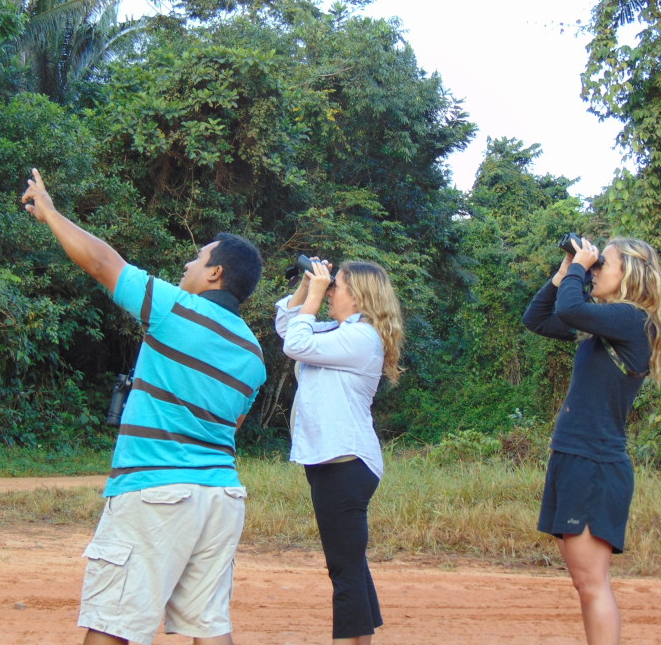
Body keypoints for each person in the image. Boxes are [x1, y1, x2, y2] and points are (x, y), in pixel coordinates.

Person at [21, 168, 267, 645]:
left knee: (113, 624)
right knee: (208, 626)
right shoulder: (255, 353)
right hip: (220, 498)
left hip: (156, 491)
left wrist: (50, 213)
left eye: (198, 259)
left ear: (215, 273)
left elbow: (102, 265)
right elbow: (231, 425)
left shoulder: (174, 309)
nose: (187, 266)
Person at [522, 236, 661, 645]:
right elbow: (537, 319)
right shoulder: (608, 325)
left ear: (630, 273)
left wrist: (576, 270)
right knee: (586, 583)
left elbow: (570, 309)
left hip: (592, 462)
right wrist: (563, 272)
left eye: (600, 263)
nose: (592, 270)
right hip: (579, 458)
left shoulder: (632, 319)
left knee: (592, 585)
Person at [274, 258, 404, 645]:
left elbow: (295, 343)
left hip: (345, 463)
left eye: (336, 286)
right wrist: (306, 286)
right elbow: (287, 325)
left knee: (343, 570)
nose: (330, 292)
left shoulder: (361, 337)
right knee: (351, 566)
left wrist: (314, 295)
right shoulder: (338, 330)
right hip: (334, 461)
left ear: (358, 295)